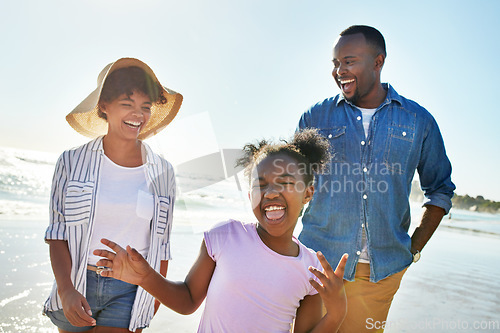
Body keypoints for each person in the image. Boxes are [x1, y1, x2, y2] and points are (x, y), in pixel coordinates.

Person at [94, 129, 349, 333]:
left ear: (308, 193)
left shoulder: (311, 269)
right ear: (250, 195)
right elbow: (188, 300)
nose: (271, 193)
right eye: (261, 185)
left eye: (285, 183)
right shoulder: (226, 236)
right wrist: (144, 277)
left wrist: (337, 313)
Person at [297, 25, 455, 332]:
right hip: (317, 266)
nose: (339, 70)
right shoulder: (315, 117)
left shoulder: (418, 120)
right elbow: (294, 185)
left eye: (349, 61)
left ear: (378, 62)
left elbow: (439, 190)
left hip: (380, 275)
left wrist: (413, 248)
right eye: (335, 63)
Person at [43, 57, 183, 332]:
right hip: (77, 283)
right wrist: (66, 290)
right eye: (127, 104)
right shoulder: (71, 162)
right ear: (104, 106)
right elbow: (57, 233)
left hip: (130, 290)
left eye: (145, 107)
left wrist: (153, 301)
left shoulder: (163, 172)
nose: (138, 115)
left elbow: (161, 245)